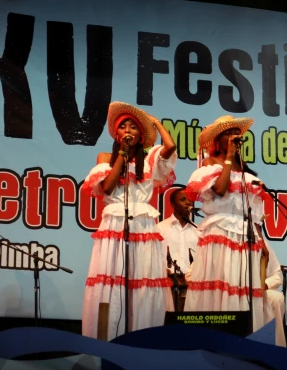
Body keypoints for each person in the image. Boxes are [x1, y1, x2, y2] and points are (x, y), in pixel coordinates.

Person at [80, 101, 177, 340]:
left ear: (141, 135)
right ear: (116, 132)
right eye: (124, 126)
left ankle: (141, 338)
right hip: (115, 224)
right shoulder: (106, 157)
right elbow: (107, 186)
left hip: (143, 224)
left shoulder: (150, 159)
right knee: (114, 281)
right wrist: (122, 155)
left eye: (134, 127)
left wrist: (155, 123)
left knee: (142, 282)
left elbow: (171, 145)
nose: (128, 131)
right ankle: (109, 338)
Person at [182, 115, 270, 333]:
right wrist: (229, 158)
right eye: (228, 134)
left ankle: (245, 338)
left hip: (245, 234)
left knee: (242, 286)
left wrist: (261, 240)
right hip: (220, 233)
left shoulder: (247, 173)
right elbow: (220, 190)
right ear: (217, 141)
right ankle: (216, 337)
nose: (233, 137)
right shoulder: (211, 164)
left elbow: (254, 210)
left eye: (235, 133)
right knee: (222, 282)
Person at [157, 189, 200, 309]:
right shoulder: (160, 228)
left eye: (190, 200)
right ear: (173, 204)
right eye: (183, 199)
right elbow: (154, 257)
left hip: (192, 288)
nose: (188, 202)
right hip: (167, 287)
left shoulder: (199, 231)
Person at [261, 238, 287, 347]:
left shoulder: (263, 244)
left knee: (277, 298)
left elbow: (277, 276)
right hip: (237, 292)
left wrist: (264, 285)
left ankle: (277, 348)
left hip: (260, 289)